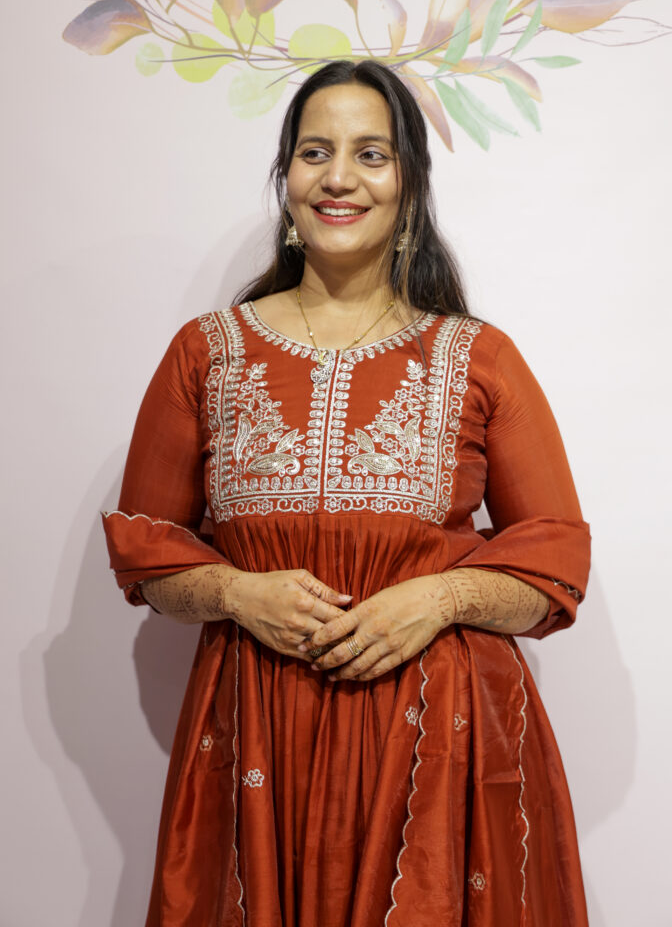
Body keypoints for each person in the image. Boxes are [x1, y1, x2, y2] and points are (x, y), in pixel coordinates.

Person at [102, 59, 591, 926]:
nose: (338, 179)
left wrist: (439, 599)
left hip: (434, 745)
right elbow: (148, 559)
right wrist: (236, 592)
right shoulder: (205, 353)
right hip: (257, 731)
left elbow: (551, 571)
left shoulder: (478, 358)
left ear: (409, 183)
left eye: (371, 154)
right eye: (314, 152)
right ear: (285, 175)